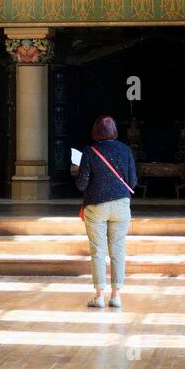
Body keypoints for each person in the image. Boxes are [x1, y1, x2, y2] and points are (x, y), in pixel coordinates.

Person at [74, 114, 137, 309]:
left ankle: (99, 296)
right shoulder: (125, 150)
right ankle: (116, 295)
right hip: (120, 205)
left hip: (95, 206)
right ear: (114, 131)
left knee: (98, 251)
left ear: (95, 131)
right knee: (118, 250)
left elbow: (82, 184)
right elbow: (133, 181)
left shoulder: (90, 152)